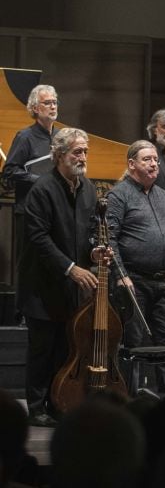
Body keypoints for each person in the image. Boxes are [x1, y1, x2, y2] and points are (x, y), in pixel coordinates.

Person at [16, 128, 100, 427]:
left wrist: (94, 254)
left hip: (70, 288)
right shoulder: (42, 189)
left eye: (85, 151)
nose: (83, 157)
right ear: (59, 155)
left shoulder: (88, 188)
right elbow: (38, 239)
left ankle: (57, 403)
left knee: (65, 350)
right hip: (42, 286)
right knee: (42, 350)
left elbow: (89, 233)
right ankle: (37, 408)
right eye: (77, 151)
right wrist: (70, 268)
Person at [107, 139, 165, 397]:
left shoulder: (163, 195)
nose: (153, 164)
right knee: (132, 344)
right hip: (134, 282)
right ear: (132, 164)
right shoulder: (118, 195)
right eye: (147, 160)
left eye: (155, 160)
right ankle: (126, 401)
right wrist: (121, 275)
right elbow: (108, 238)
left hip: (163, 283)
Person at [1, 84, 60, 288]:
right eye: (47, 103)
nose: (53, 106)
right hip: (28, 209)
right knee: (29, 262)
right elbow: (9, 171)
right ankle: (24, 313)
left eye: (55, 102)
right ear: (35, 108)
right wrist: (38, 179)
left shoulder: (61, 138)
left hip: (54, 209)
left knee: (52, 260)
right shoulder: (25, 137)